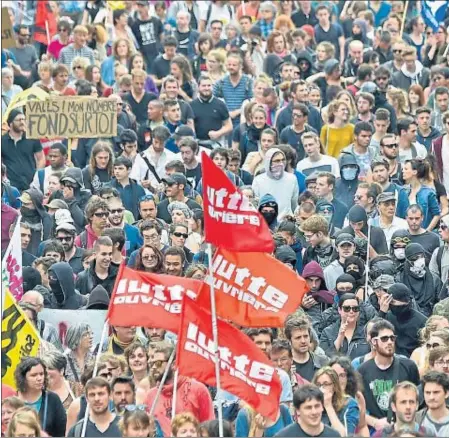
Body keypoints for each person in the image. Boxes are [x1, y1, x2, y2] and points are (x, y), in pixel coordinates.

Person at [358, 319, 420, 431]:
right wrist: (375, 422)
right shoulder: (363, 370)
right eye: (384, 339)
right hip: (376, 430)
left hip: (405, 428)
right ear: (373, 341)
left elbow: (418, 401)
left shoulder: (409, 366)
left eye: (392, 338)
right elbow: (355, 407)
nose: (390, 342)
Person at [144, 342, 214, 436]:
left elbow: (209, 428)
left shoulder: (198, 390)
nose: (153, 367)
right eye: (150, 363)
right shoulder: (150, 396)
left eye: (158, 363)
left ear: (173, 364)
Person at [15, 357, 67, 437]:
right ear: (23, 377)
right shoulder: (13, 398)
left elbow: (62, 432)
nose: (39, 378)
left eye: (41, 374)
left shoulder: (52, 399)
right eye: (34, 375)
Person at [2, 109, 45, 192]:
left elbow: (41, 159)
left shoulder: (32, 138)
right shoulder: (2, 141)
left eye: (23, 119)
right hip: (10, 186)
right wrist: (4, 178)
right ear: (10, 123)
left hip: (30, 185)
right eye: (19, 120)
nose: (22, 122)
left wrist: (36, 178)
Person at [274, 384, 340, 437]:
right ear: (298, 411)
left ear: (322, 407)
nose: (314, 412)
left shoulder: (334, 435)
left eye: (317, 406)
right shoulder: (284, 436)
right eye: (308, 407)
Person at [252, 148, 299, 219]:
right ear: (269, 162)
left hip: (286, 222)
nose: (281, 163)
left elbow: (294, 204)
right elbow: (255, 205)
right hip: (266, 221)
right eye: (277, 161)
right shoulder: (258, 180)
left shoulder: (292, 179)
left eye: (283, 160)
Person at [312, 367, 360, 436]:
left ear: (334, 386)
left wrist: (328, 406)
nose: (321, 389)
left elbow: (345, 435)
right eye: (318, 385)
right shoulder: (312, 405)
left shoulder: (349, 404)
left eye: (326, 384)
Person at [400, 243, 442, 317]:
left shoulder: (434, 279)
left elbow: (440, 301)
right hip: (408, 318)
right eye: (415, 258)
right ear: (408, 260)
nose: (419, 260)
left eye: (422, 256)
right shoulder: (400, 278)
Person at [284, 314, 328, 383]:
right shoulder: (284, 366)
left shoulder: (323, 362)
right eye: (298, 338)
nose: (303, 341)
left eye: (305, 336)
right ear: (289, 341)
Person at [402, 159, 441, 231]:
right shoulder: (403, 191)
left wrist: (427, 231)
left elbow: (437, 214)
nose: (403, 171)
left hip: (424, 231)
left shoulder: (428, 193)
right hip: (406, 233)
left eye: (406, 169)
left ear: (414, 172)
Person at [417, 371, 449, 436]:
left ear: (446, 393)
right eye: (428, 393)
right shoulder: (415, 419)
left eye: (436, 392)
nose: (431, 397)